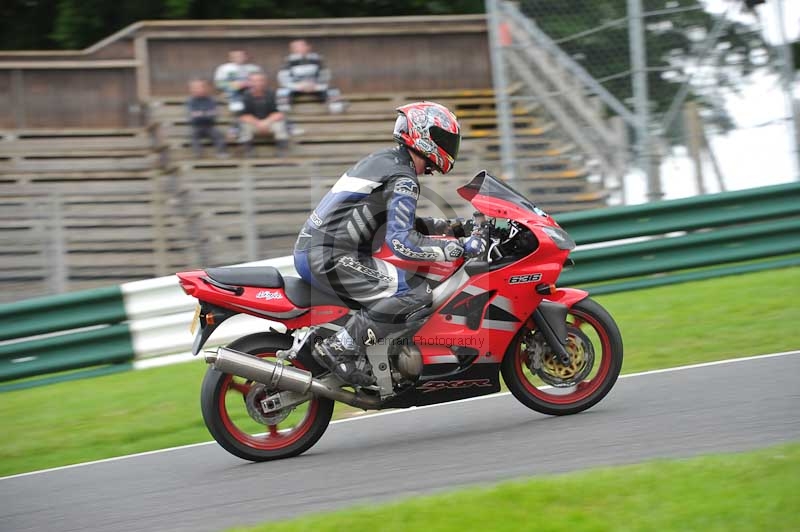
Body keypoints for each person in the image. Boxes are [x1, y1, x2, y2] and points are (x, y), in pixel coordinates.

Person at [293, 101, 464, 387]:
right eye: (445, 139)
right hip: (331, 256)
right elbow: (403, 243)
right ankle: (339, 348)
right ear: (425, 135)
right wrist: (460, 248)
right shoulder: (403, 178)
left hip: (318, 250)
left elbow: (393, 220)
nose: (449, 146)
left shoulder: (387, 160)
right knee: (415, 292)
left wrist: (451, 228)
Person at [276, 39, 345, 114]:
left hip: (315, 86)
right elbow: (283, 78)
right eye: (295, 47)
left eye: (301, 46)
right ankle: (284, 112)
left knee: (333, 91)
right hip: (295, 87)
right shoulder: (288, 61)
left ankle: (336, 110)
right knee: (282, 92)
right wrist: (298, 86)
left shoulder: (318, 59)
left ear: (308, 47)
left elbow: (325, 75)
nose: (299, 49)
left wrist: (315, 84)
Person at [213, 50, 263, 138]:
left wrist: (249, 84)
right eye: (235, 56)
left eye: (241, 56)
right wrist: (235, 85)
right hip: (232, 93)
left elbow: (260, 81)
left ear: (246, 57)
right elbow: (219, 84)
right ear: (230, 58)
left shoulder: (253, 68)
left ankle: (240, 129)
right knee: (238, 107)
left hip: (250, 93)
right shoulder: (224, 68)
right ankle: (236, 128)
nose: (238, 58)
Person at [238, 73, 290, 157]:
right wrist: (258, 123)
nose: (258, 83)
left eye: (260, 80)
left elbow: (281, 113)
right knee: (244, 125)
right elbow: (243, 116)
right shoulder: (243, 96)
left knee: (280, 124)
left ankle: (282, 150)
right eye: (254, 81)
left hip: (271, 123)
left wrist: (266, 122)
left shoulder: (276, 94)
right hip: (254, 124)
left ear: (265, 82)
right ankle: (248, 151)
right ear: (249, 82)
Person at [186, 79, 227, 158]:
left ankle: (221, 152)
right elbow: (192, 116)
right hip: (196, 127)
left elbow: (213, 115)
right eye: (196, 88)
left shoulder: (210, 100)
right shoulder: (191, 101)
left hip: (209, 126)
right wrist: (205, 114)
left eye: (201, 87)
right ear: (192, 90)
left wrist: (200, 114)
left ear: (205, 88)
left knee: (219, 135)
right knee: (193, 136)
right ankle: (198, 154)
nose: (199, 90)